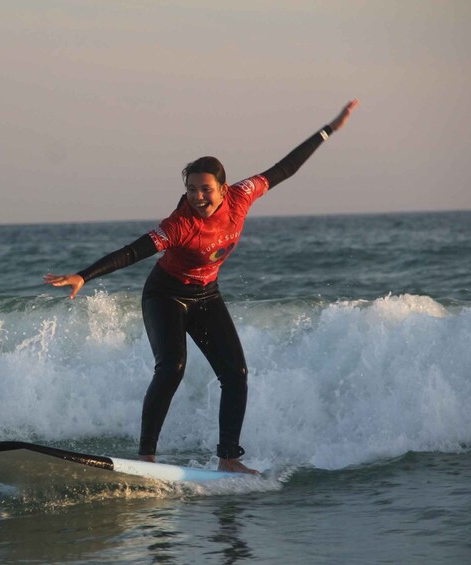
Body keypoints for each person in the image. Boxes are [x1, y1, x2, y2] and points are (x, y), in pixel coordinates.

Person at [45, 100, 359, 473]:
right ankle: (147, 457)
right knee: (172, 367)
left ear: (223, 189)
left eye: (205, 189)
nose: (198, 197)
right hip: (165, 295)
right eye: (191, 189)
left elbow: (284, 168)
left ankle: (228, 458)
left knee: (236, 375)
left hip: (206, 295)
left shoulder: (242, 196)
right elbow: (132, 252)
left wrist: (329, 129)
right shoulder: (179, 225)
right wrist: (85, 274)